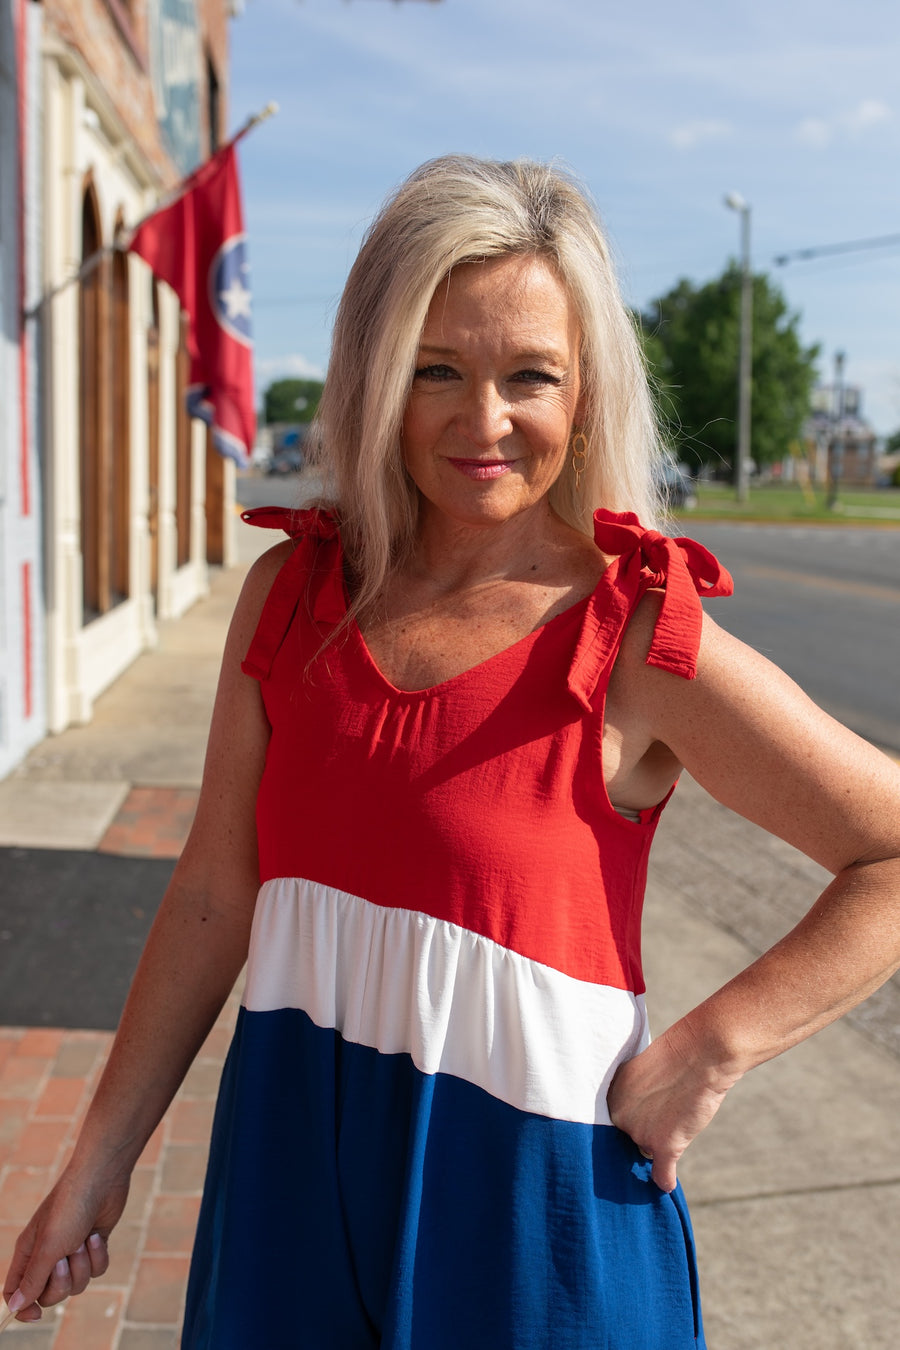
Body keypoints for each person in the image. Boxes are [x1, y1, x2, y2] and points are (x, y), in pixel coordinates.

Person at [4, 155, 900, 1349]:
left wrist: (712, 1049)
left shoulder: (632, 635)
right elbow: (216, 892)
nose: (485, 423)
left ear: (583, 398)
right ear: (379, 376)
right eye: (437, 371)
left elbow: (886, 851)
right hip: (289, 1194)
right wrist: (100, 1158)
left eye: (531, 375)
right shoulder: (292, 598)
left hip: (534, 1235)